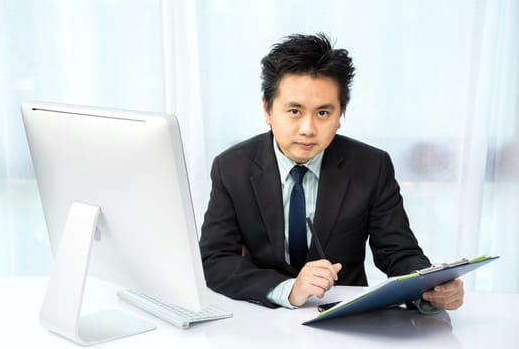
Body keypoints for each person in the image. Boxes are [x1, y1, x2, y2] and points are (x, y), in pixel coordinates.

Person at [199, 33, 464, 310]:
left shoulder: (372, 166)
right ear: (267, 109)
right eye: (294, 111)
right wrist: (287, 289)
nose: (308, 129)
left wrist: (430, 289)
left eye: (323, 113)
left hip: (344, 315)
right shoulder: (232, 167)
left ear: (340, 115)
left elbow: (398, 252)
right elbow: (215, 259)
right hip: (262, 317)